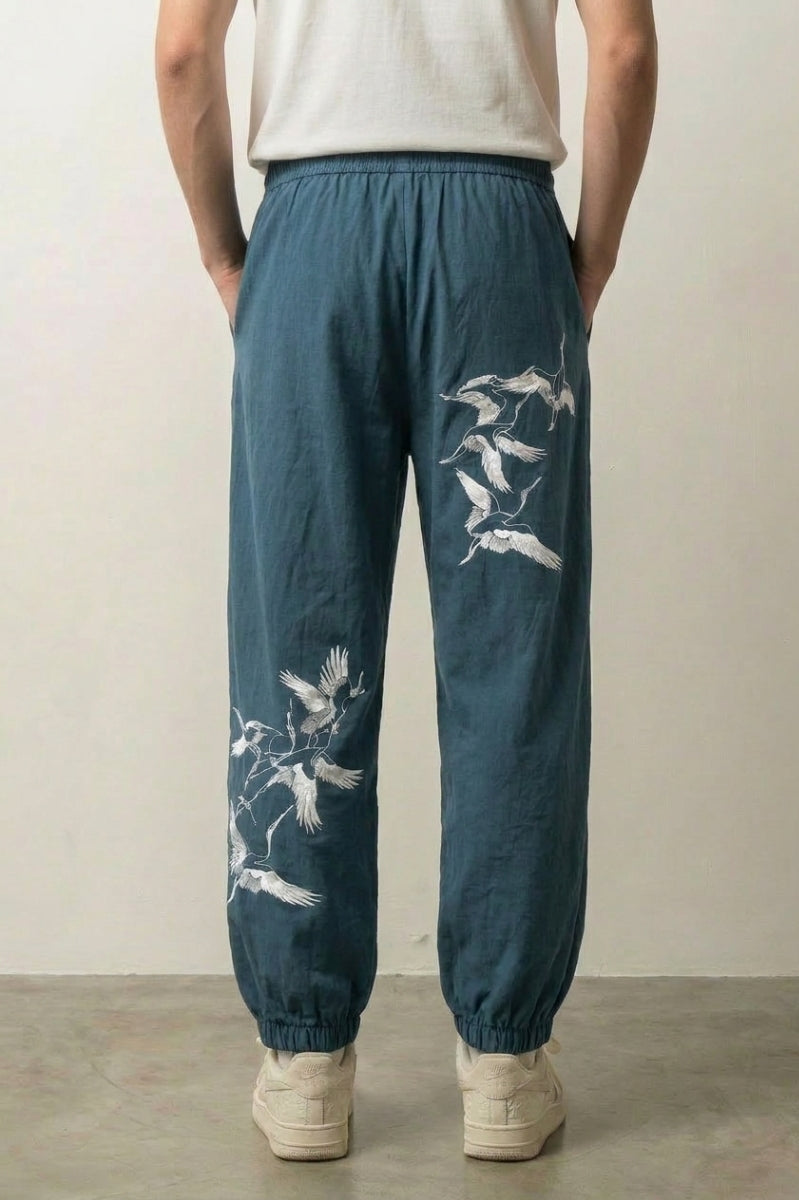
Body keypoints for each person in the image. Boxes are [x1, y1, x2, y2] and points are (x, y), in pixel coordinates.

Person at [155, 0, 658, 1164]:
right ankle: (502, 1062)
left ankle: (305, 1064)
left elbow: (183, 51)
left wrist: (227, 257)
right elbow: (624, 47)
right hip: (498, 236)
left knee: (298, 646)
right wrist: (589, 258)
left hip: (310, 237)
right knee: (512, 661)